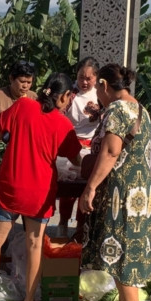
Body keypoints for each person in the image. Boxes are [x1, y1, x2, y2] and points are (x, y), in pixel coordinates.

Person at [0, 73, 82, 301]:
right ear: (63, 97)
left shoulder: (22, 105)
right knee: (35, 246)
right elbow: (75, 159)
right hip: (40, 193)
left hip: (10, 186)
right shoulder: (63, 125)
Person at [79, 64, 151, 301]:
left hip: (122, 195)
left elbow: (111, 151)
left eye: (98, 89)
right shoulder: (139, 109)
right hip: (138, 192)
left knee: (122, 253)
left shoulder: (118, 110)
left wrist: (91, 187)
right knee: (124, 250)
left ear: (102, 84)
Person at [58, 58, 101, 237]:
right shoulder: (70, 93)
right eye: (81, 77)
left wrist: (99, 112)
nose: (84, 82)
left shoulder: (101, 94)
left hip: (92, 147)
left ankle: (80, 228)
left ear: (96, 78)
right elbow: (58, 112)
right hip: (71, 144)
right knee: (68, 188)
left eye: (88, 78)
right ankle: (63, 222)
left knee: (86, 189)